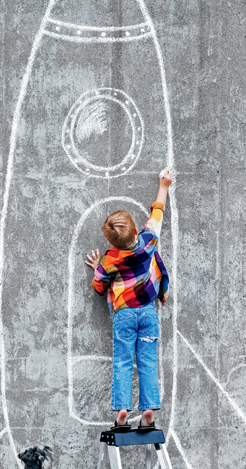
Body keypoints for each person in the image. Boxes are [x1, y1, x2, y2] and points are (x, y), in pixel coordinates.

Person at [83, 169, 172, 433]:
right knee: (147, 362)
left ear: (112, 241)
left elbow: (99, 286)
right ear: (135, 229)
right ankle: (148, 411)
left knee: (122, 362)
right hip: (147, 314)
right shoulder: (147, 242)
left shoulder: (110, 259)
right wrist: (163, 185)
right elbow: (158, 213)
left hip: (124, 316)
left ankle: (122, 410)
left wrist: (99, 265)